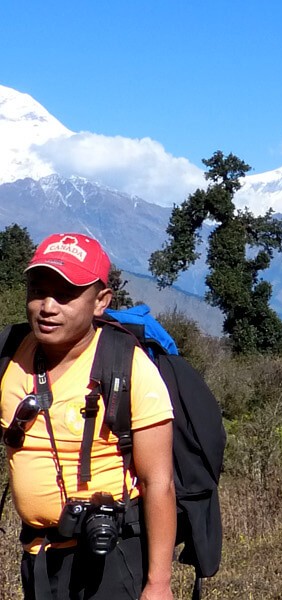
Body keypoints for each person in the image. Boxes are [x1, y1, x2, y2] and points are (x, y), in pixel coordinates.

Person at [3, 233, 176, 599]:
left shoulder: (127, 366)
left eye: (65, 294)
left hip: (109, 560)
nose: (47, 306)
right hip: (37, 556)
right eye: (38, 290)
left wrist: (158, 584)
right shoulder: (9, 354)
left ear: (101, 302)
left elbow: (158, 482)